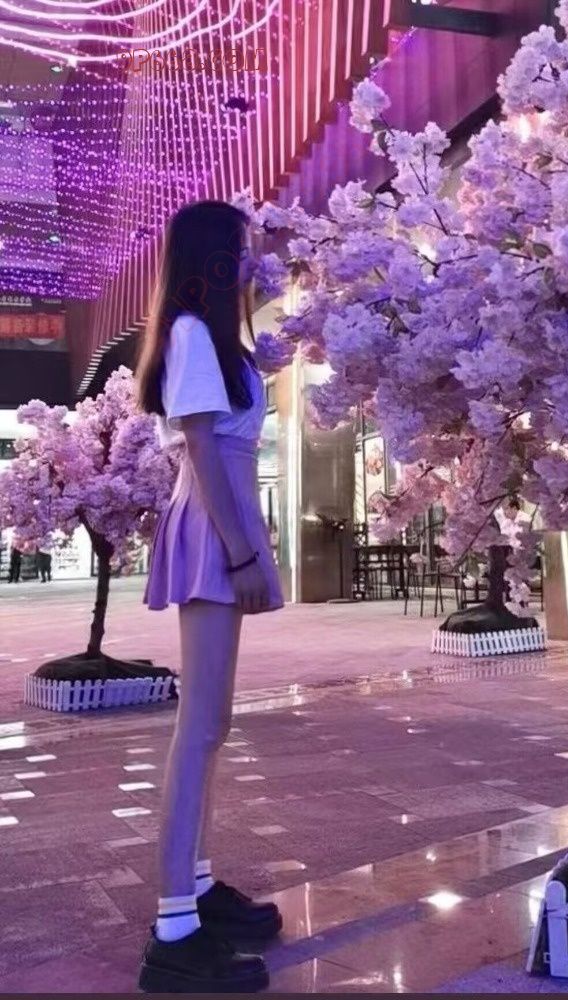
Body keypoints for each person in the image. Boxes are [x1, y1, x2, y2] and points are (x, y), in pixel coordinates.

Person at [136, 200, 284, 994]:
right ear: (215, 257)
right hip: (213, 521)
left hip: (220, 513)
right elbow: (198, 443)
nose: (253, 260)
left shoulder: (216, 338)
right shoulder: (193, 333)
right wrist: (241, 553)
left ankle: (193, 887)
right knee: (198, 727)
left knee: (212, 723)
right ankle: (173, 929)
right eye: (244, 249)